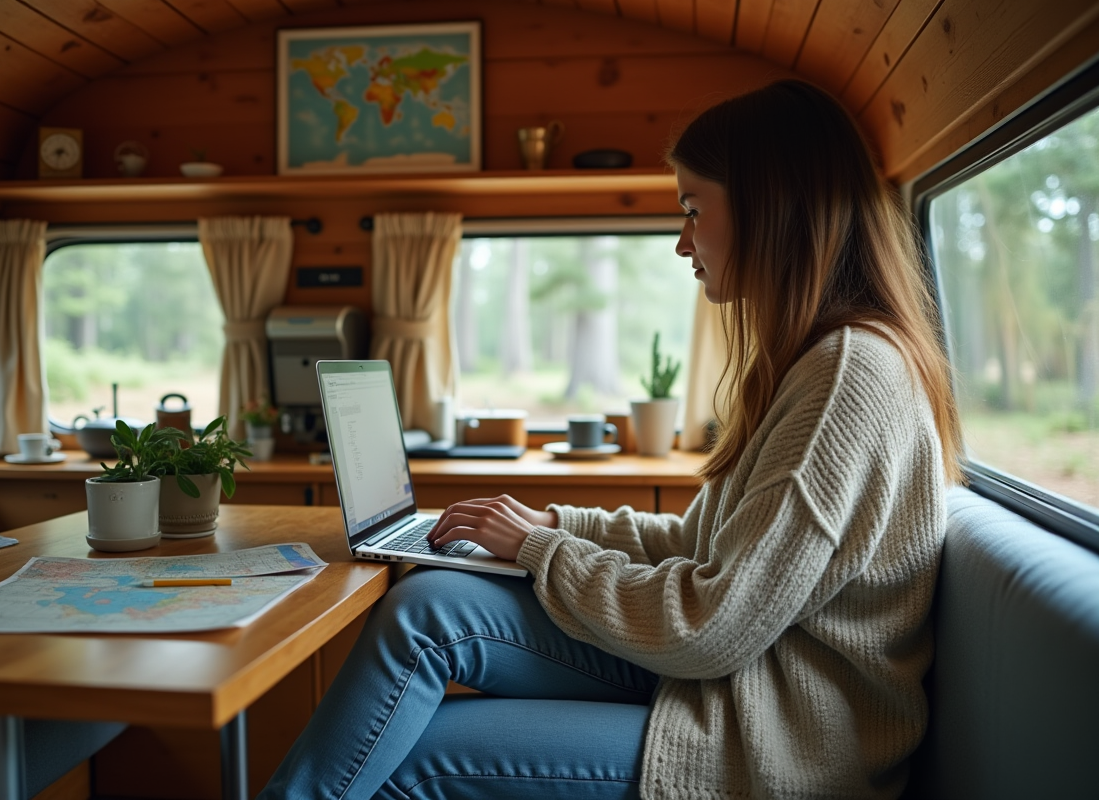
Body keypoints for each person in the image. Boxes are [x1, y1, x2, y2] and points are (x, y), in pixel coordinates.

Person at [259, 79, 964, 800]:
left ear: (771, 206)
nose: (682, 241)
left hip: (772, 735)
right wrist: (554, 523)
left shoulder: (847, 376)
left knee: (411, 760)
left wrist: (540, 550)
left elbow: (711, 624)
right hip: (730, 678)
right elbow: (699, 548)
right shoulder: (818, 362)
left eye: (694, 209)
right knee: (427, 605)